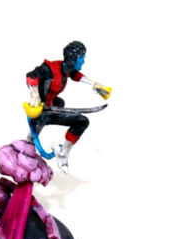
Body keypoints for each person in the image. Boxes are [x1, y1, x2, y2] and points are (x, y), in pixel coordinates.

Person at [25, 41, 109, 174]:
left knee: (60, 103)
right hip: (41, 110)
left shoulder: (66, 69)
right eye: (82, 58)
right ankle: (62, 154)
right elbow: (31, 75)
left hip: (52, 105)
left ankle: (29, 139)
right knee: (82, 122)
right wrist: (34, 94)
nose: (83, 62)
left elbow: (75, 75)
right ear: (74, 58)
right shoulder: (49, 69)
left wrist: (94, 84)